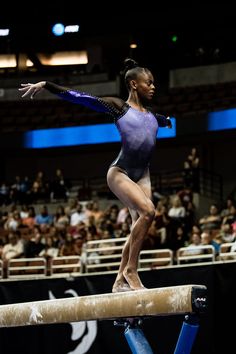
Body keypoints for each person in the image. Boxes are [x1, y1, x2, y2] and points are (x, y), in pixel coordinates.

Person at [19, 58, 172, 292]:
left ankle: (120, 279)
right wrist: (47, 84)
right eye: (148, 83)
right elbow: (81, 98)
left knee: (139, 225)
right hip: (120, 172)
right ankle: (131, 270)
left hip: (143, 174)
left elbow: (158, 121)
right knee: (149, 211)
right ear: (133, 84)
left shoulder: (152, 116)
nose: (153, 87)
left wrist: (166, 121)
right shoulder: (119, 108)